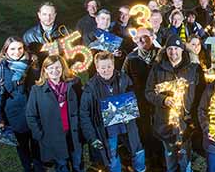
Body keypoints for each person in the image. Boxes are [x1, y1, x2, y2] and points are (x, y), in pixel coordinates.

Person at [145, 35, 206, 172]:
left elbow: (201, 94)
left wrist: (195, 119)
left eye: (177, 48)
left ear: (182, 50)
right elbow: (148, 92)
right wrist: (163, 100)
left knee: (185, 158)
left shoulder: (193, 69)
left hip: (186, 122)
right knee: (170, 157)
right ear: (166, 50)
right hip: (165, 123)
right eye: (170, 49)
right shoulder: (157, 69)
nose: (173, 52)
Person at [80, 52, 146, 172]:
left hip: (127, 125)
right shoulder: (90, 88)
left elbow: (134, 97)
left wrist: (132, 109)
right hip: (107, 130)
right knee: (112, 156)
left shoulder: (124, 79)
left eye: (109, 66)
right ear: (97, 68)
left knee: (138, 150)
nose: (106, 70)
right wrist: (91, 136)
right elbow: (84, 114)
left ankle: (140, 169)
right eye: (103, 67)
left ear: (114, 65)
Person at [0, 36, 43, 172]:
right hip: (14, 115)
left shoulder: (32, 63)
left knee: (37, 142)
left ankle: (39, 167)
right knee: (22, 146)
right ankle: (28, 167)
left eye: (19, 48)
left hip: (35, 111)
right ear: (5, 50)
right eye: (12, 49)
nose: (16, 52)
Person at [26, 55, 83, 172]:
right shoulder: (37, 90)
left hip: (73, 135)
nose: (54, 71)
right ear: (45, 70)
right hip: (53, 138)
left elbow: (83, 107)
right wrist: (41, 136)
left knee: (78, 165)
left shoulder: (73, 85)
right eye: (50, 68)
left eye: (58, 67)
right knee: (62, 167)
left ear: (63, 68)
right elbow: (31, 115)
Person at [122, 28, 162, 168]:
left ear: (152, 37)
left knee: (160, 129)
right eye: (138, 37)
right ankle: (150, 158)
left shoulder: (161, 54)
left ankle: (162, 158)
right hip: (140, 102)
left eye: (144, 37)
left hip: (159, 101)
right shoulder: (131, 58)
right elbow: (124, 80)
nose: (141, 40)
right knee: (145, 131)